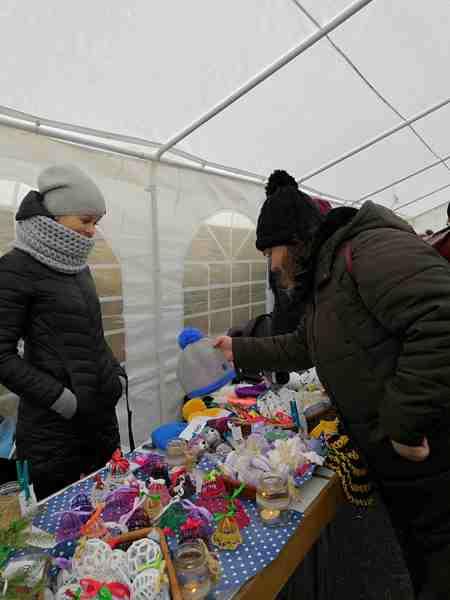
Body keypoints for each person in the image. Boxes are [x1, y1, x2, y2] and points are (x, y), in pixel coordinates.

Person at [215, 181, 450, 598]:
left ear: (293, 240)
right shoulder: (326, 277)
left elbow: (440, 320)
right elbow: (303, 345)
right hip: (399, 456)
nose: (271, 265)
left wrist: (403, 425)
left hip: (431, 448)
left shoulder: (369, 249)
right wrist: (240, 349)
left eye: (270, 252)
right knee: (423, 559)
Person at [0, 165, 126, 500]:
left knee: (111, 512)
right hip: (53, 433)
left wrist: (114, 376)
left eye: (95, 223)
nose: (91, 232)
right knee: (64, 527)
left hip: (99, 422)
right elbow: (2, 355)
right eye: (85, 221)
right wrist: (62, 399)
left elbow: (93, 333)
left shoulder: (77, 266)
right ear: (56, 216)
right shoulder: (15, 268)